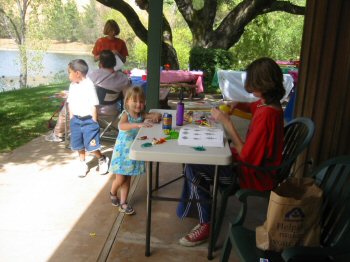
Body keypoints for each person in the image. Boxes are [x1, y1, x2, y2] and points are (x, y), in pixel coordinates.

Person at [176, 57, 285, 247]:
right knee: (203, 157)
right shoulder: (268, 104)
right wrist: (236, 104)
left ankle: (205, 224)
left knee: (193, 168)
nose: (250, 87)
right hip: (252, 167)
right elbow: (252, 107)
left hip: (250, 176)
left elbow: (244, 154)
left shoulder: (267, 116)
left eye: (253, 83)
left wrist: (227, 122)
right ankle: (197, 209)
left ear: (262, 84)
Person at [45, 50, 131, 142]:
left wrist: (68, 94)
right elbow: (127, 98)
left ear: (100, 63)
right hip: (111, 116)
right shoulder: (123, 78)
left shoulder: (92, 75)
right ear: (115, 63)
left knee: (67, 105)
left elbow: (79, 92)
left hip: (88, 114)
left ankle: (58, 134)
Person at [109, 86, 161, 215]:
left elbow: (155, 115)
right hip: (122, 152)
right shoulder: (126, 114)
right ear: (127, 102)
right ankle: (112, 192)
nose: (138, 104)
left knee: (127, 179)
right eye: (135, 101)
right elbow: (121, 126)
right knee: (120, 179)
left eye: (141, 101)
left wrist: (156, 116)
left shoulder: (142, 114)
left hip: (132, 151)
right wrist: (137, 124)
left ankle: (123, 203)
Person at [66, 59, 110, 178]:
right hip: (76, 120)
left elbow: (94, 104)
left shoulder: (89, 86)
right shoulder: (72, 86)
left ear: (77, 73)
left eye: (69, 72)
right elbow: (70, 102)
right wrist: (71, 118)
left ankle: (102, 158)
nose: (68, 75)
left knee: (91, 146)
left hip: (88, 121)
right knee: (79, 144)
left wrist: (93, 121)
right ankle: (82, 163)